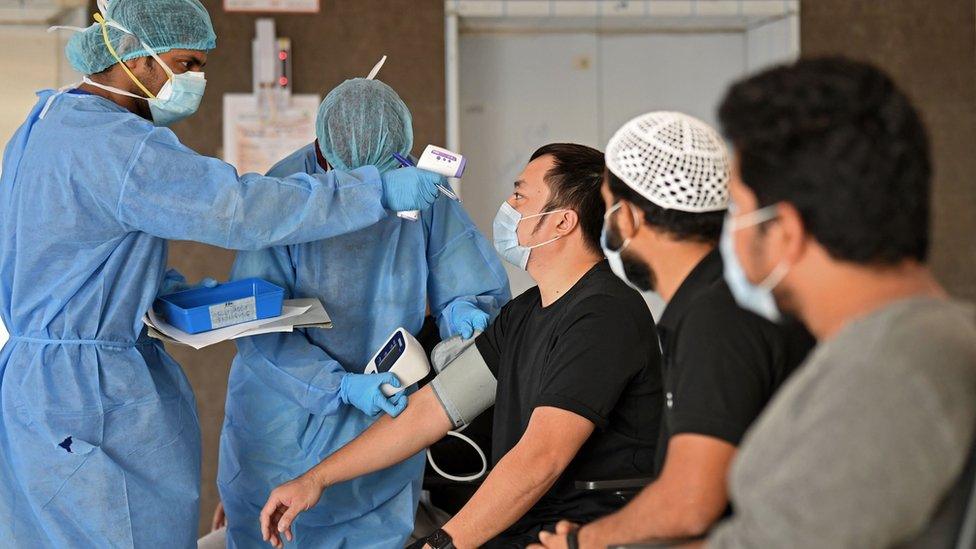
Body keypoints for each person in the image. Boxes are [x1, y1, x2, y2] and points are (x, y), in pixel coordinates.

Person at [0, 0, 443, 546]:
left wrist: (144, 289)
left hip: (37, 383)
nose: (197, 79)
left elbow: (59, 245)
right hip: (86, 393)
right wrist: (371, 191)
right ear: (136, 57)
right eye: (187, 64)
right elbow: (237, 208)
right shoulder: (121, 145)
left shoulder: (48, 122)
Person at [259, 143, 664, 549]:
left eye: (521, 195)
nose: (508, 205)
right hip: (525, 528)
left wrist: (440, 544)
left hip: (582, 534)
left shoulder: (603, 316)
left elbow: (540, 461)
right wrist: (315, 479)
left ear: (562, 222)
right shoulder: (525, 312)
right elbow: (430, 410)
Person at [216, 76, 511, 548]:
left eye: (381, 180)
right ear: (322, 151)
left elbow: (464, 271)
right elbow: (258, 329)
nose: (371, 195)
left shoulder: (415, 189)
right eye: (356, 184)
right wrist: (338, 386)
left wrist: (465, 313)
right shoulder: (283, 195)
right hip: (283, 418)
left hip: (385, 416)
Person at [696, 57, 976, 547]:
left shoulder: (886, 373)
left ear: (783, 232)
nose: (730, 233)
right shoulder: (928, 337)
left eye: (737, 210)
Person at [531, 112, 814, 549]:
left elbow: (691, 503)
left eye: (606, 212)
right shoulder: (720, 298)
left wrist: (584, 541)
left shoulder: (717, 318)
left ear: (628, 219)